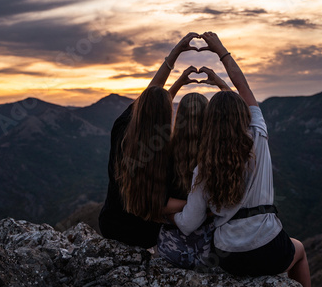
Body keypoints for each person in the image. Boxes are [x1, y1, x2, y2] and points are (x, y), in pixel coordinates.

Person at [172, 32, 311, 286]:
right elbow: (243, 88)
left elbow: (189, 224)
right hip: (268, 247)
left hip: (229, 256)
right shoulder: (258, 136)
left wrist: (169, 213)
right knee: (299, 250)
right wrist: (220, 52)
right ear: (243, 117)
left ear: (210, 122)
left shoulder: (203, 166)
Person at [98, 32, 199, 248]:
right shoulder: (164, 151)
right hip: (145, 234)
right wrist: (199, 205)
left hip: (111, 225)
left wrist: (175, 56)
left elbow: (151, 97)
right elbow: (162, 203)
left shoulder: (122, 130)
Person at [158, 68, 231, 269]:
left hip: (171, 247)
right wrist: (220, 83)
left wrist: (171, 211)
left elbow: (151, 110)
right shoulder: (218, 155)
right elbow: (241, 114)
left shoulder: (164, 153)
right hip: (210, 247)